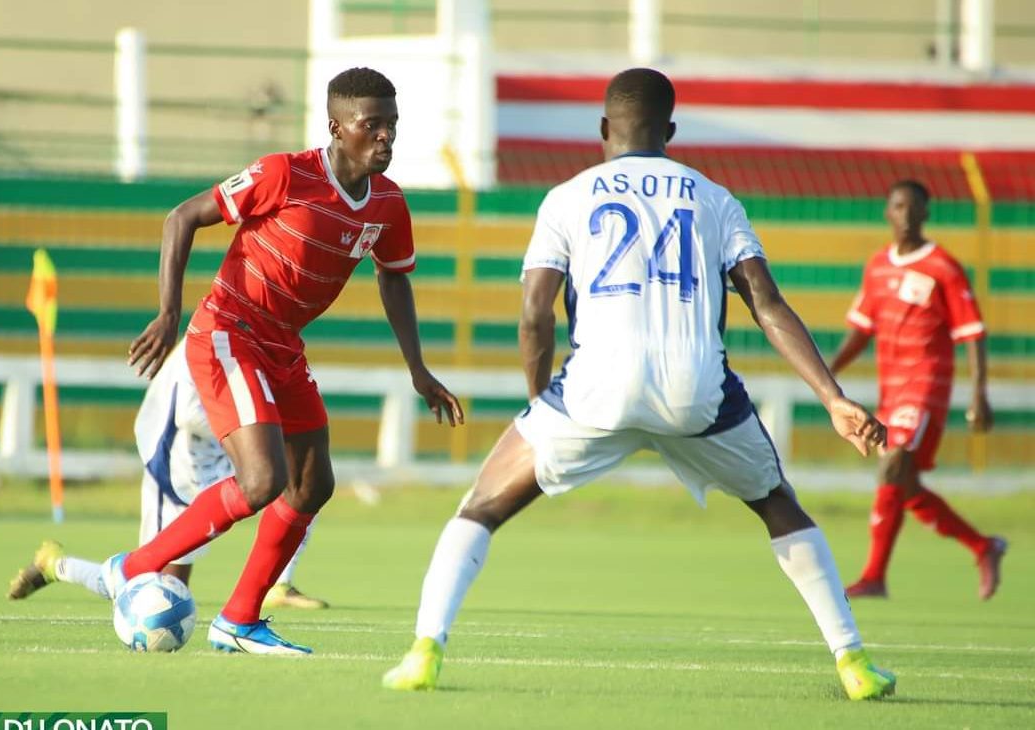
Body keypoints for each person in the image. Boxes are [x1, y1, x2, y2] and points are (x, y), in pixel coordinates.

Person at [382, 68, 895, 701]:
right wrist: (833, 398)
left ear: (603, 128)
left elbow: (535, 314)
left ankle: (424, 650)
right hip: (697, 392)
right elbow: (765, 302)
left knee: (482, 509)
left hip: (595, 388)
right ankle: (853, 664)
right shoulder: (713, 197)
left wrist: (541, 399)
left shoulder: (566, 197)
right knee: (779, 506)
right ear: (670, 131)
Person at [105, 67, 463, 655]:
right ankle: (136, 566)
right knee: (262, 480)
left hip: (282, 344)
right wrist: (168, 314)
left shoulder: (391, 206)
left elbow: (395, 281)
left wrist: (418, 370)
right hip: (228, 328)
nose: (385, 138)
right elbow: (182, 217)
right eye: (371, 126)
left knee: (311, 481)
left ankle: (239, 619)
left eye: (391, 126)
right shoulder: (284, 174)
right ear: (335, 127)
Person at [7, 341, 327, 609]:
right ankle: (56, 566)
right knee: (159, 589)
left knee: (302, 484)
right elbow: (187, 411)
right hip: (178, 467)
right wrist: (255, 428)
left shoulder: (260, 337)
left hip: (219, 460)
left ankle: (280, 582)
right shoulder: (210, 341)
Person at [830, 180, 1006, 601]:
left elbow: (972, 333)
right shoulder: (877, 266)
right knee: (904, 488)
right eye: (898, 206)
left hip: (925, 387)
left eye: (914, 207)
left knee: (892, 468)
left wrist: (978, 393)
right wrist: (827, 374)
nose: (906, 214)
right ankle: (984, 546)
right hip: (889, 392)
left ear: (926, 214)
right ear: (887, 212)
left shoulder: (943, 266)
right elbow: (860, 331)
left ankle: (873, 576)